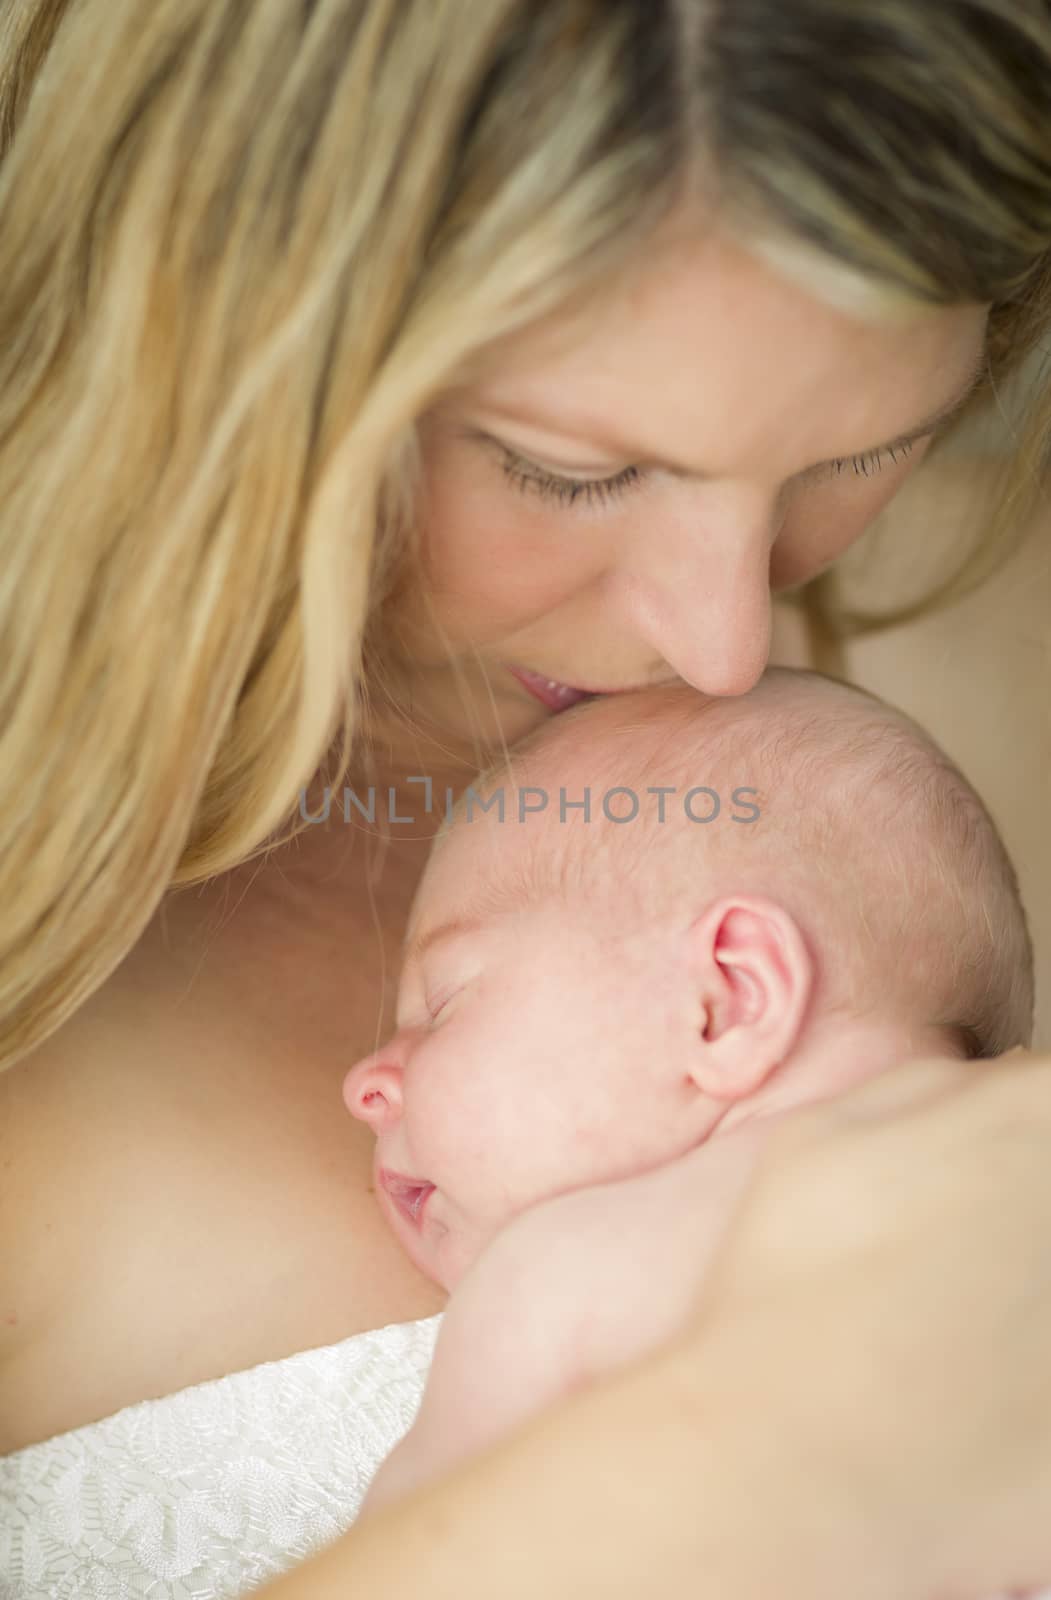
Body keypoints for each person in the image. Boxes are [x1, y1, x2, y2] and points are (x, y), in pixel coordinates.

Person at [0, 2, 1049, 1597]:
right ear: (206, 344)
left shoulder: (906, 740)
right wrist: (825, 1439)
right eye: (568, 470)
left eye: (865, 450)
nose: (723, 643)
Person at [339, 668, 1035, 1509]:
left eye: (443, 1005)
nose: (363, 1087)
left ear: (726, 999)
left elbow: (426, 1566)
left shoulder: (560, 1287)